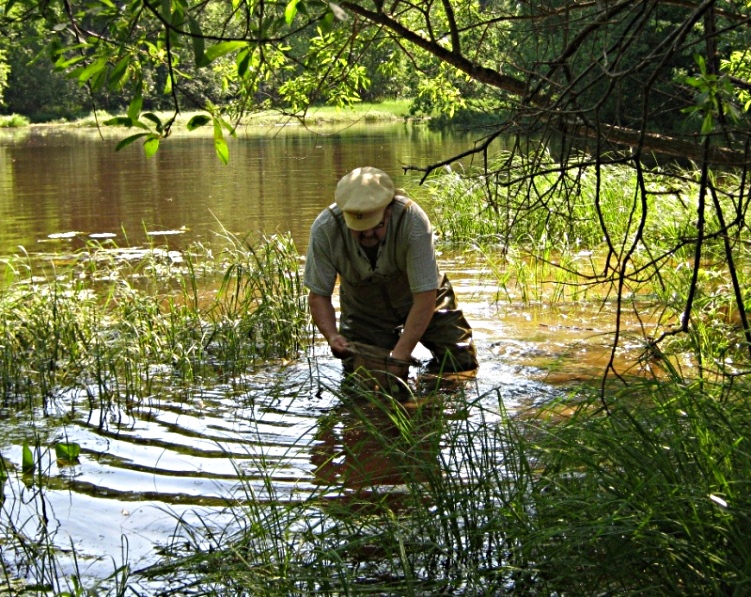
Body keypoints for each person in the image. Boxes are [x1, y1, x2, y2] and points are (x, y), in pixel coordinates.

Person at [304, 166, 478, 375]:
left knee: (461, 362)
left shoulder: (413, 220)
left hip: (424, 297)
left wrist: (401, 354)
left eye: (377, 225)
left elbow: (425, 297)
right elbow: (318, 296)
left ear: (389, 210)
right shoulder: (325, 229)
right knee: (365, 376)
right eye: (359, 228)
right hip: (364, 309)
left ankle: (431, 396)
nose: (368, 233)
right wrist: (332, 336)